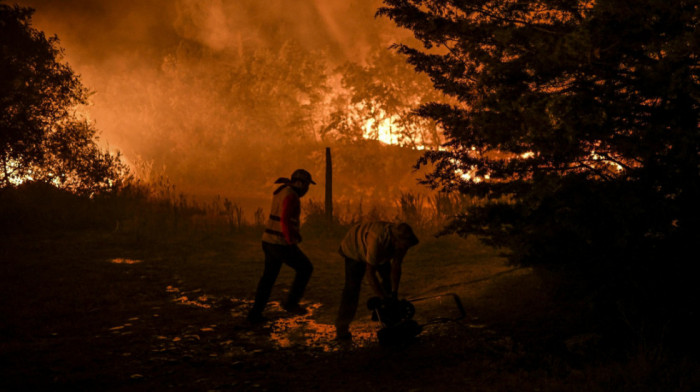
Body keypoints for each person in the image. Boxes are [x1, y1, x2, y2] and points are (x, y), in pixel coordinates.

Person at [247, 169, 316, 324]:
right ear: (299, 183)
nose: (306, 189)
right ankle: (291, 303)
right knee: (305, 268)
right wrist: (291, 240)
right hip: (280, 243)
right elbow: (285, 219)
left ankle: (255, 314)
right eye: (306, 185)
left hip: (268, 240)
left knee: (268, 278)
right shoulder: (291, 196)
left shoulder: (282, 190)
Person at [334, 221, 419, 340]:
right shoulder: (377, 240)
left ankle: (389, 318)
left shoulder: (401, 243)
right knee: (352, 288)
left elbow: (396, 266)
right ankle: (342, 328)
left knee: (388, 281)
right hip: (354, 247)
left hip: (378, 252)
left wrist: (394, 293)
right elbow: (370, 273)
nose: (405, 249)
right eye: (404, 246)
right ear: (396, 241)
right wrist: (382, 297)